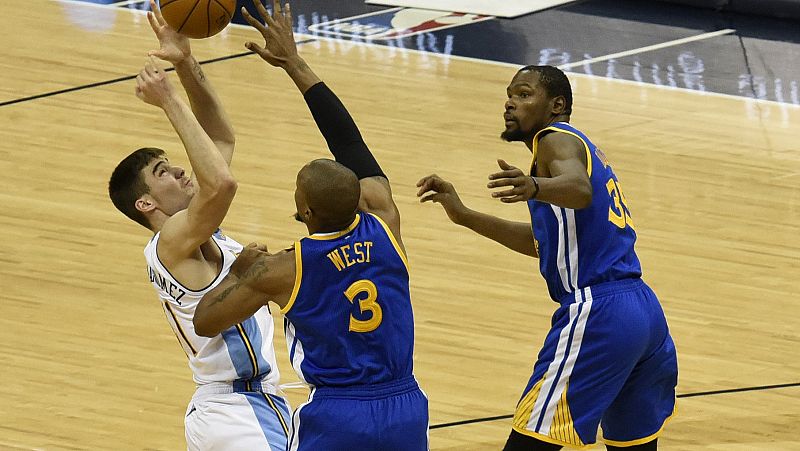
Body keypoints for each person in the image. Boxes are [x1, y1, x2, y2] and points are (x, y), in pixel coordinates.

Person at [193, 1, 429, 450]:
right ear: (358, 199)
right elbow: (347, 140)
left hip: (338, 414)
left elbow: (206, 321)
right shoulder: (383, 220)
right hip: (406, 405)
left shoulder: (284, 269)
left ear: (307, 214)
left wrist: (241, 270)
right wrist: (294, 64)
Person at [416, 65, 678, 450]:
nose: (510, 102)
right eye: (509, 94)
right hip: (642, 312)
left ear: (557, 105)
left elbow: (580, 188)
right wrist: (465, 216)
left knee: (532, 440)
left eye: (524, 95)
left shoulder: (553, 140)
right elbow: (545, 244)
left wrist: (534, 186)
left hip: (599, 313)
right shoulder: (575, 150)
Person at [107, 2, 290, 449]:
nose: (181, 172)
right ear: (146, 202)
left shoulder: (197, 228)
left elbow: (221, 138)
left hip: (248, 404)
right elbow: (222, 182)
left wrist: (187, 63)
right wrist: (168, 100)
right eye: (164, 172)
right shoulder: (171, 241)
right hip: (234, 411)